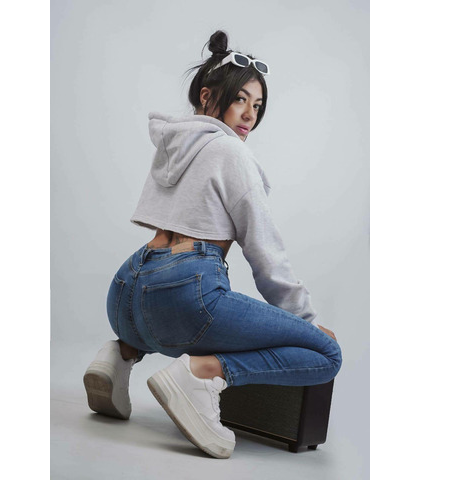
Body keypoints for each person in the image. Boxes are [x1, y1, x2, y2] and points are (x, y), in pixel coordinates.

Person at [83, 30, 342, 459]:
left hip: (125, 293)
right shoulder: (231, 152)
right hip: (181, 298)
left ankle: (119, 354)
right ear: (207, 96)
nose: (249, 116)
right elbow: (266, 253)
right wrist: (307, 324)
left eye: (257, 106)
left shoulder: (174, 144)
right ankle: (202, 375)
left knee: (183, 311)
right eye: (240, 100)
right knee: (326, 354)